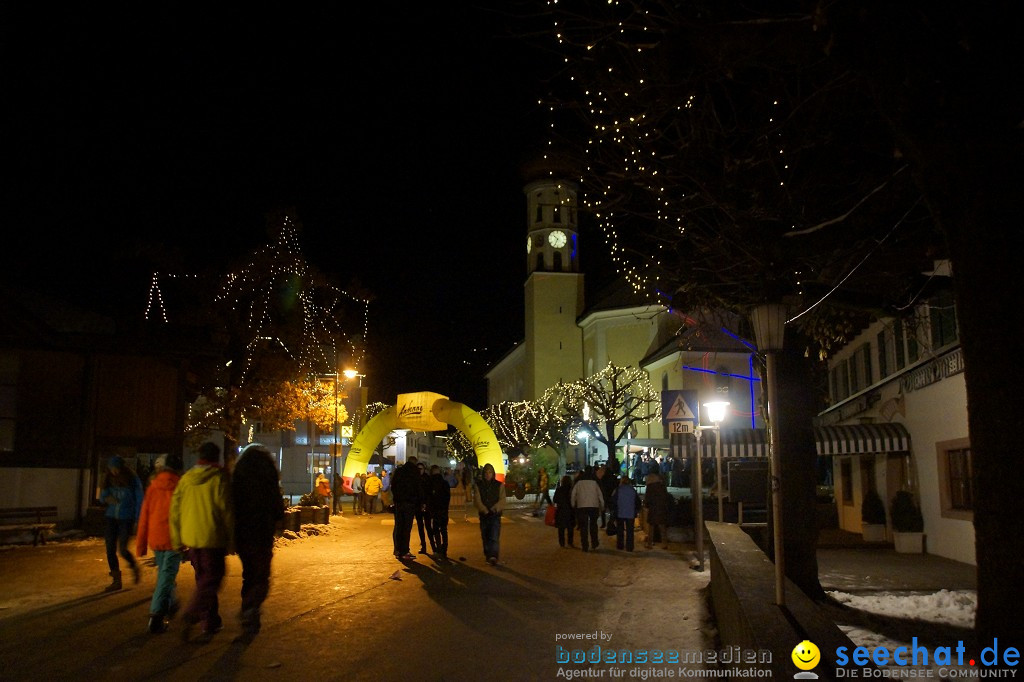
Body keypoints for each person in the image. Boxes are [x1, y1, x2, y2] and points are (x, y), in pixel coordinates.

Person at [170, 442, 233, 642]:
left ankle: (211, 622)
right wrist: (232, 539)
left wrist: (177, 539)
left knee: (203, 580)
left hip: (191, 540)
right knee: (212, 579)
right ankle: (192, 613)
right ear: (217, 457)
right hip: (212, 538)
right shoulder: (219, 478)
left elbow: (174, 511)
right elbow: (227, 511)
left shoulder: (186, 479)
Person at [232, 443, 285, 638]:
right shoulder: (268, 480)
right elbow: (277, 506)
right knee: (262, 574)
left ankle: (248, 607)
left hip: (242, 532)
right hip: (262, 531)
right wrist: (278, 521)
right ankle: (251, 608)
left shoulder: (238, 477)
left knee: (248, 573)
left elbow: (231, 504)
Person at [136, 453, 183, 633]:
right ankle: (156, 616)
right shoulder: (180, 487)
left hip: (155, 539)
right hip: (173, 539)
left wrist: (141, 544)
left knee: (164, 575)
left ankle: (171, 603)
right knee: (165, 577)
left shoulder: (152, 487)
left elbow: (144, 516)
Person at [99, 455, 144, 591]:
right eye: (112, 469)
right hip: (111, 517)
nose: (114, 471)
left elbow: (139, 499)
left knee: (123, 549)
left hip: (126, 517)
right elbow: (102, 496)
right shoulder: (109, 479)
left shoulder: (132, 480)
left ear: (122, 468)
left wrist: (137, 518)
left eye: (116, 468)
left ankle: (134, 566)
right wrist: (106, 498)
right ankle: (116, 580)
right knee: (110, 549)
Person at [390, 457, 423, 560]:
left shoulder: (399, 471)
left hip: (399, 502)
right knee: (406, 528)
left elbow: (393, 485)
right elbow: (418, 487)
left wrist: (396, 498)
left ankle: (397, 550)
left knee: (398, 526)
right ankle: (405, 551)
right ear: (415, 462)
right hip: (410, 502)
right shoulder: (415, 472)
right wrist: (420, 502)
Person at [473, 462, 505, 565]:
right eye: (486, 472)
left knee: (494, 537)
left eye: (490, 472)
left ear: (493, 473)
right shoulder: (479, 485)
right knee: (485, 536)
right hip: (484, 515)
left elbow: (502, 500)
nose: (488, 474)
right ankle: (488, 555)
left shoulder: (499, 485)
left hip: (495, 515)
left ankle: (493, 556)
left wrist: (495, 509)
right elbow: (477, 500)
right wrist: (484, 510)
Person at [570, 467, 604, 552]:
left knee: (583, 527)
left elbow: (573, 494)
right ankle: (594, 542)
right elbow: (600, 494)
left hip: (581, 506)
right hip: (593, 505)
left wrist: (573, 504)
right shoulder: (595, 481)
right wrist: (602, 505)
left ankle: (585, 545)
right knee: (593, 525)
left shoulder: (579, 482)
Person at [610, 475, 640, 552]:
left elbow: (613, 501)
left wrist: (613, 510)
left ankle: (620, 545)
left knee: (620, 530)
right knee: (630, 531)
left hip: (620, 512)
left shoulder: (618, 490)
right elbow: (637, 502)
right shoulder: (633, 490)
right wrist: (636, 510)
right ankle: (629, 547)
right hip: (630, 513)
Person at [643, 472, 672, 550]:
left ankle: (650, 544)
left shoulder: (649, 487)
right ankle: (664, 544)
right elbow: (666, 497)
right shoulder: (662, 486)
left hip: (653, 509)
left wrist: (646, 505)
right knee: (662, 527)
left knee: (651, 528)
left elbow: (647, 499)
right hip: (661, 509)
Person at [426, 464, 450, 558]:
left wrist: (430, 508)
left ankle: (439, 548)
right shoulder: (444, 483)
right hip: (443, 510)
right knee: (444, 530)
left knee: (436, 530)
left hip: (435, 510)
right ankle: (444, 549)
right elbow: (447, 497)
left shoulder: (430, 483)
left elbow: (429, 497)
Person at [552, 475, 576, 548]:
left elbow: (555, 500)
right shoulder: (571, 490)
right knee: (570, 528)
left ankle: (562, 542)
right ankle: (570, 542)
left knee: (561, 528)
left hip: (561, 510)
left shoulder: (559, 489)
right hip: (570, 510)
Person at [414, 461, 432, 553]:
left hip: (426, 506)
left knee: (428, 526)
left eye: (421, 469)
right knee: (420, 527)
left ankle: (433, 546)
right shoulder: (415, 479)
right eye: (418, 469)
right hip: (418, 506)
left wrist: (426, 503)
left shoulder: (427, 479)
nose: (419, 470)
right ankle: (423, 546)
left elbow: (429, 493)